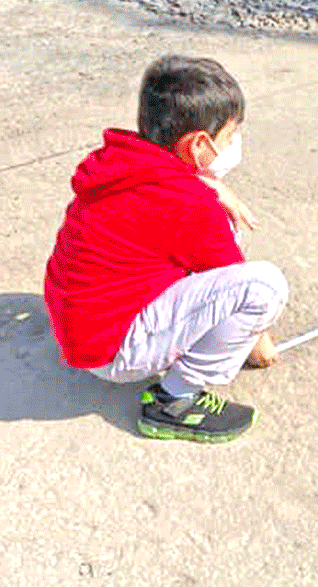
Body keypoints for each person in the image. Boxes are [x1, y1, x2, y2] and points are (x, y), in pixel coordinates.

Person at [44, 55, 287, 443]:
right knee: (265, 288)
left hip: (81, 325)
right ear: (198, 143)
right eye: (230, 135)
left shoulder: (122, 161)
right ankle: (175, 400)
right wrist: (258, 340)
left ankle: (169, 360)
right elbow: (228, 270)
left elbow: (174, 204)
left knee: (218, 230)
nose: (235, 144)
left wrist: (211, 186)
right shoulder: (189, 202)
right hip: (110, 349)